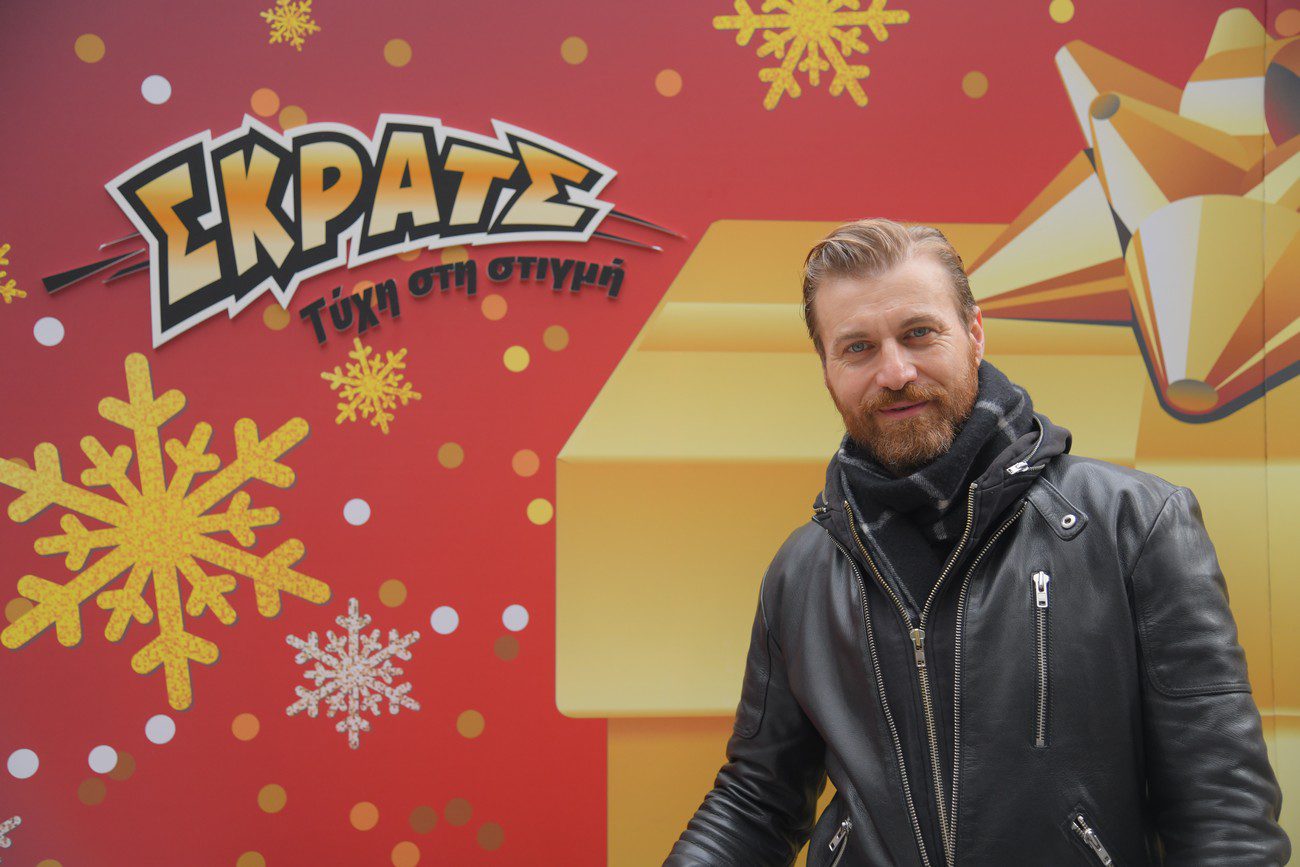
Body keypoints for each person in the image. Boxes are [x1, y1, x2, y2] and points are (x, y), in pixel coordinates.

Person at [664, 218, 1290, 866]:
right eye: (858, 348)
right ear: (827, 370)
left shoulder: (1135, 522)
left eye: (919, 333)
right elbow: (756, 802)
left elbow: (1225, 815)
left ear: (975, 333)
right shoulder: (802, 573)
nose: (895, 371)